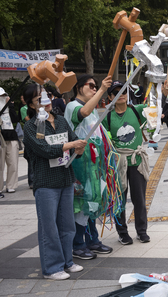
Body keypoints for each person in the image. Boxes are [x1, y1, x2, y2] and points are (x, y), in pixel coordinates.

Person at [22, 83, 87, 280]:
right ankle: (51, 268)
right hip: (46, 182)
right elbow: (45, 149)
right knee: (49, 226)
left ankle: (67, 261)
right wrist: (71, 144)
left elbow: (74, 139)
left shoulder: (60, 120)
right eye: (39, 100)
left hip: (65, 179)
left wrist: (80, 148)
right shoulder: (32, 126)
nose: (46, 101)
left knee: (67, 225)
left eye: (48, 96)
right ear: (32, 105)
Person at [65, 75, 115, 260]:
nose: (94, 89)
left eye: (96, 87)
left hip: (94, 164)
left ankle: (92, 240)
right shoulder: (73, 106)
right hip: (80, 164)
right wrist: (102, 89)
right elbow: (82, 114)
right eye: (91, 86)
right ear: (79, 87)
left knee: (94, 200)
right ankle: (78, 245)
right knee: (81, 203)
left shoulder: (92, 108)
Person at [102, 81, 150, 244]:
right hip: (118, 162)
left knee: (140, 199)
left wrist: (163, 90)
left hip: (136, 160)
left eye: (123, 91)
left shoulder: (138, 110)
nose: (120, 95)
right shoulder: (107, 117)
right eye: (115, 92)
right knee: (119, 199)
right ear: (110, 97)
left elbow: (156, 110)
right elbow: (103, 141)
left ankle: (141, 231)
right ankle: (122, 232)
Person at [0, 88, 19, 193]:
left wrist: (10, 105)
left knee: (13, 162)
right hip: (1, 138)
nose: (3, 98)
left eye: (4, 96)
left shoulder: (9, 106)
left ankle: (11, 185)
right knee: (0, 164)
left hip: (11, 136)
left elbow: (15, 119)